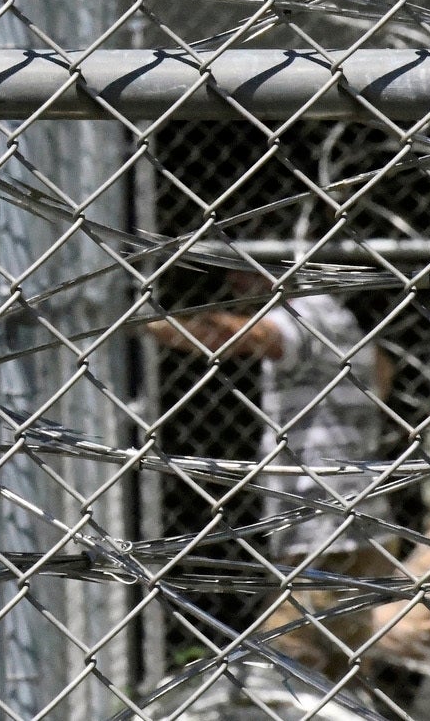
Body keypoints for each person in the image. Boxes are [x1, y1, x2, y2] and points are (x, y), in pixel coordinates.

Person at [147, 267, 394, 673]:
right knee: (341, 666)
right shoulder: (342, 320)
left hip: (323, 527)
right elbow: (384, 373)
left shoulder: (302, 315)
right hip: (355, 517)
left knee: (282, 661)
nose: (233, 288)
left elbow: (245, 336)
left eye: (244, 275)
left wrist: (148, 323)